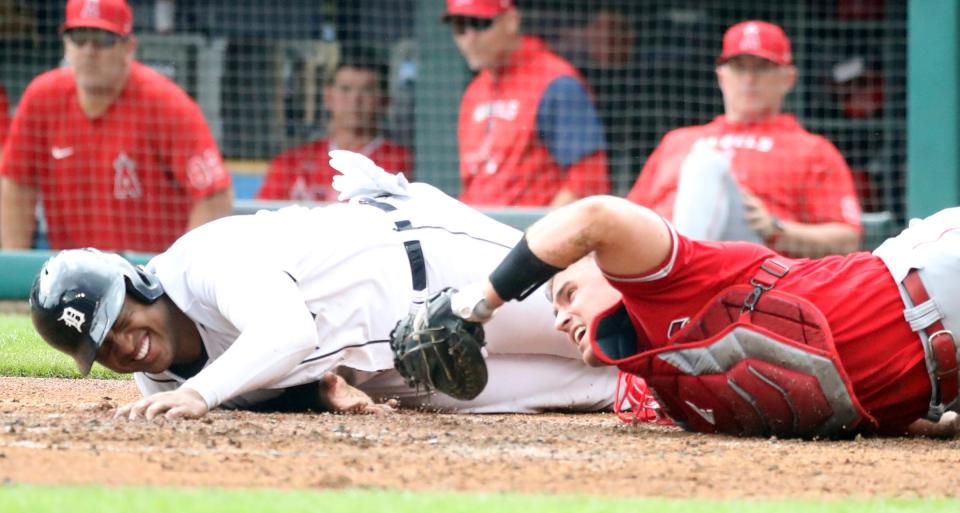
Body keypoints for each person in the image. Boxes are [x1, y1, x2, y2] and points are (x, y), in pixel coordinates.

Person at [29, 150, 619, 421]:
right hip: (401, 368)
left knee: (607, 325)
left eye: (120, 320)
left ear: (139, 286)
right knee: (602, 387)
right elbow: (267, 385)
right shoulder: (155, 379)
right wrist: (318, 396)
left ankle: (706, 312)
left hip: (433, 266)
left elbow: (286, 331)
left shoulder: (203, 262)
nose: (123, 345)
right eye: (101, 346)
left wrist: (200, 396)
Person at [439, 194, 960, 439]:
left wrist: (480, 303)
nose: (560, 319)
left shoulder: (668, 279)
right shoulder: (672, 386)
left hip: (935, 278)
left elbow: (594, 217)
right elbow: (839, 393)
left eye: (569, 292)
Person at [0, 0, 233, 253]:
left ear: (128, 47)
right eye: (79, 37)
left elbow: (214, 196)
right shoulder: (42, 98)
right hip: (74, 278)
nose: (89, 50)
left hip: (149, 277)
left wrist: (181, 275)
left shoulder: (166, 104)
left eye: (103, 39)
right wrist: (18, 263)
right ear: (66, 45)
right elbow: (17, 182)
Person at [626, 21, 861, 258]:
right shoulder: (677, 140)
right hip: (658, 261)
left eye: (762, 67)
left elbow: (847, 238)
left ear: (788, 78)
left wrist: (777, 229)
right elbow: (630, 216)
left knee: (704, 164)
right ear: (721, 76)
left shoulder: (812, 149)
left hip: (751, 272)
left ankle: (682, 275)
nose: (749, 79)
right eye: (739, 67)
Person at [443, 0, 610, 207]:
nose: (469, 38)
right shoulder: (474, 92)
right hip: (480, 233)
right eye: (459, 27)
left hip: (534, 233)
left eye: (479, 24)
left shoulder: (555, 82)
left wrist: (538, 236)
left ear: (511, 21)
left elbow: (588, 181)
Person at [256, 49, 411, 202]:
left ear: (385, 101)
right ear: (328, 97)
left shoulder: (402, 162)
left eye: (367, 90)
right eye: (345, 89)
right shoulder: (291, 162)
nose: (355, 99)